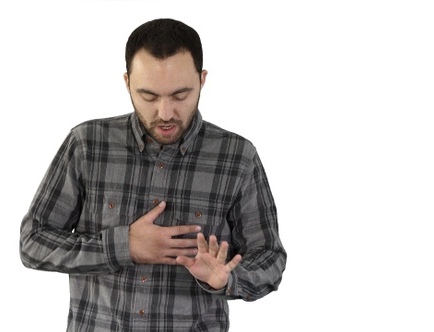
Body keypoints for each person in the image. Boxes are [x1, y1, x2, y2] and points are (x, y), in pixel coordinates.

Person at [20, 18, 286, 331]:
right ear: (127, 82)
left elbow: (270, 259)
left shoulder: (237, 156)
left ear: (202, 81)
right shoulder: (87, 145)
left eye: (180, 95)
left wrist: (226, 278)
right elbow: (33, 242)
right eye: (148, 96)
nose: (165, 113)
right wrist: (123, 247)